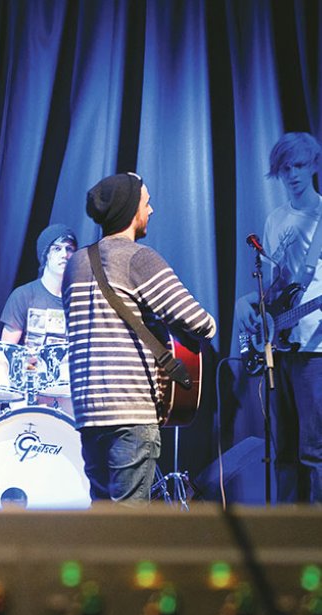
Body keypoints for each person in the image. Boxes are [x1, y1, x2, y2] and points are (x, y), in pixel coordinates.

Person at [62, 172, 216, 504]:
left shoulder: (74, 264)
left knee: (103, 517)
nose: (152, 210)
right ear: (132, 211)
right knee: (129, 525)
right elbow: (196, 320)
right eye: (146, 203)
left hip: (89, 412)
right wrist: (210, 325)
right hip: (130, 411)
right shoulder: (138, 258)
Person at [236, 132, 322, 503]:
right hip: (280, 345)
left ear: (314, 165)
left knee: (315, 451)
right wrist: (250, 304)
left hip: (315, 351)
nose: (293, 175)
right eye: (286, 168)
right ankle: (285, 533)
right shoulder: (275, 220)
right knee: (283, 451)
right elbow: (273, 287)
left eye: (300, 165)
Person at [0, 223, 77, 348]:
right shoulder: (23, 295)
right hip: (30, 366)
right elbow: (6, 351)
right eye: (57, 249)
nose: (64, 254)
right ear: (45, 254)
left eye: (69, 249)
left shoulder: (80, 299)